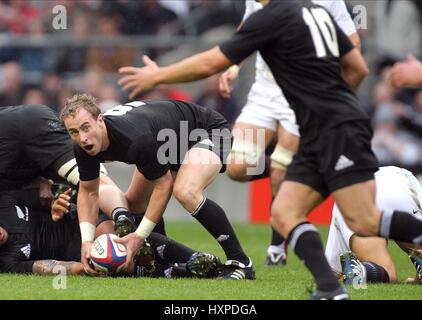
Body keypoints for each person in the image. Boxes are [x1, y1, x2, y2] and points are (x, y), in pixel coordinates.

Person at [112, 0, 422, 299]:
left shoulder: (271, 16)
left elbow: (212, 61)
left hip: (333, 129)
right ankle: (329, 290)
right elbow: (357, 67)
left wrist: (158, 75)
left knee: (364, 218)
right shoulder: (312, 10)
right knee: (285, 213)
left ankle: (330, 285)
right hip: (327, 124)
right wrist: (330, 102)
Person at [215, 0, 360, 266]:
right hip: (265, 92)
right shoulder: (258, 1)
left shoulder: (329, 2)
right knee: (236, 167)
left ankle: (277, 247)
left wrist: (330, 86)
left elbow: (353, 42)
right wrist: (233, 65)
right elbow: (248, 27)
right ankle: (293, 172)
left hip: (302, 92)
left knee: (282, 170)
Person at [60, 94, 255, 280]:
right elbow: (89, 191)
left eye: (86, 127)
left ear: (100, 120)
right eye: (74, 132)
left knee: (185, 191)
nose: (82, 137)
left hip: (206, 130)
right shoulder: (82, 147)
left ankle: (240, 262)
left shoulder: (135, 139)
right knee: (135, 205)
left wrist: (139, 236)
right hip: (166, 144)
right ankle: (163, 261)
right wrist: (86, 241)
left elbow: (163, 186)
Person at [0, 103, 157, 241]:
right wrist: (40, 182)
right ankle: (136, 230)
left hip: (29, 127)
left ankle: (125, 220)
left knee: (92, 183)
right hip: (27, 140)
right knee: (89, 201)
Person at [0, 182, 222, 279]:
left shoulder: (5, 203)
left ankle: (193, 259)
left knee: (113, 238)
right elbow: (48, 267)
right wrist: (82, 268)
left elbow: (48, 193)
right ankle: (192, 268)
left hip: (82, 221)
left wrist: (57, 203)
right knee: (107, 255)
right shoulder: (6, 262)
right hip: (75, 252)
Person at [325, 166, 422, 285]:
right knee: (418, 249)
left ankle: (363, 271)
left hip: (352, 197)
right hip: (396, 183)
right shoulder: (406, 177)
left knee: (386, 272)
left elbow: (330, 273)